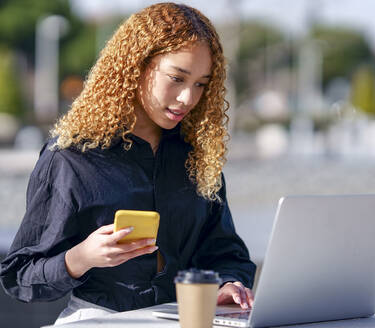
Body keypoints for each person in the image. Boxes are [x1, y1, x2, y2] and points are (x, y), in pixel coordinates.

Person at [0, 2, 256, 325]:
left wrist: (229, 283)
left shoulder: (197, 156)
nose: (188, 98)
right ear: (137, 66)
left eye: (201, 84)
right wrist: (80, 258)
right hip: (96, 320)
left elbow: (226, 252)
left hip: (182, 318)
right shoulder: (69, 157)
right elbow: (18, 276)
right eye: (177, 78)